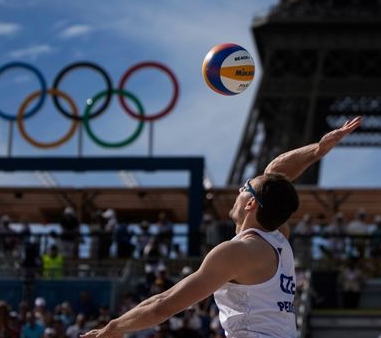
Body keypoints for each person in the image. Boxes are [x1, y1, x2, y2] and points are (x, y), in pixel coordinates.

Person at [80, 116, 361, 338]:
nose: (240, 188)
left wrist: (113, 329)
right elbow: (274, 172)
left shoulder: (237, 252)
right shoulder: (278, 238)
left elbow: (163, 305)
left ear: (250, 204)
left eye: (245, 188)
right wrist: (318, 149)